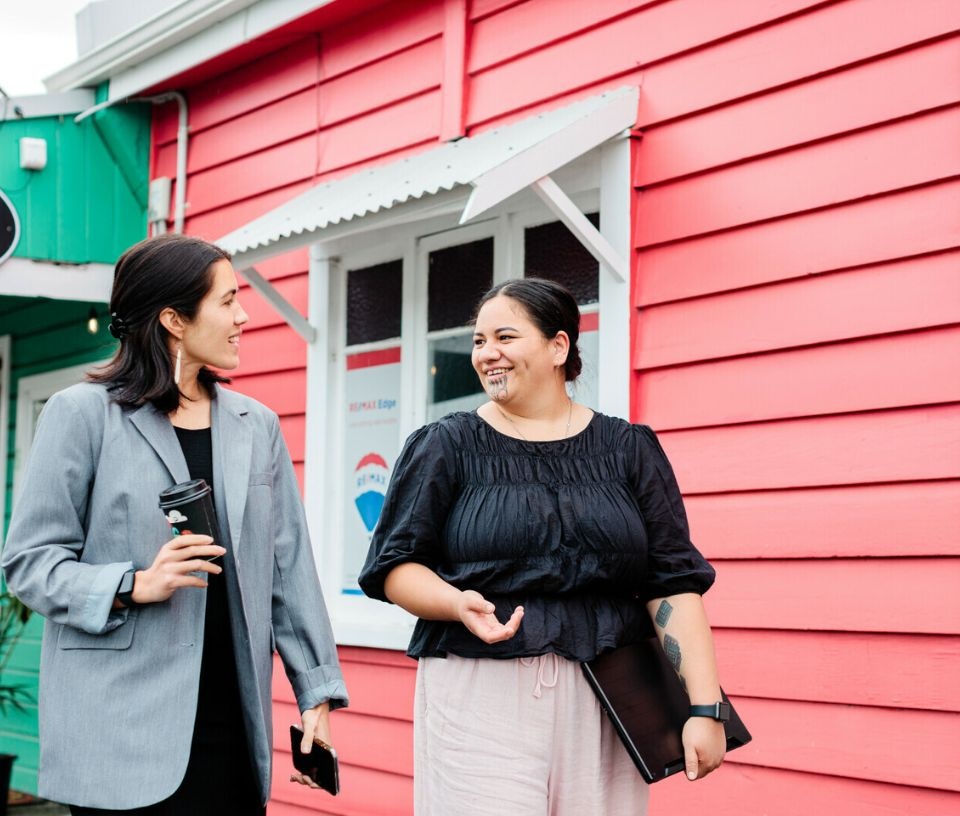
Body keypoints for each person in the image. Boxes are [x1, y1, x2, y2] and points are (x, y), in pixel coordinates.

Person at [2, 234, 348, 814]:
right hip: (119, 734)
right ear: (174, 320)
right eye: (227, 300)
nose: (243, 316)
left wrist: (315, 694)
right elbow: (29, 563)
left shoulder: (254, 426)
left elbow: (287, 570)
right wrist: (134, 584)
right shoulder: (82, 415)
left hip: (232, 729)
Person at [359, 277, 727, 815]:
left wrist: (705, 707)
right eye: (480, 340)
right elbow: (394, 567)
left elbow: (672, 581)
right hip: (480, 689)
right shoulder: (447, 445)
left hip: (607, 693)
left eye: (504, 337)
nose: (486, 354)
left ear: (558, 347)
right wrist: (455, 602)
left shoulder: (629, 450)